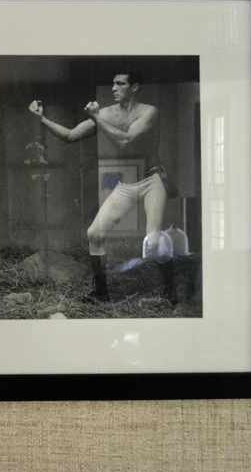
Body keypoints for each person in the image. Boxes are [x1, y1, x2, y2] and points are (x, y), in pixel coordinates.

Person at [28, 69, 178, 304]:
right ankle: (101, 293)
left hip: (152, 180)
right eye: (113, 84)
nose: (114, 88)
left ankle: (171, 293)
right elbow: (70, 135)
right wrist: (42, 119)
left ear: (134, 87)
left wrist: (97, 119)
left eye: (121, 84)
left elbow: (126, 141)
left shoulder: (149, 112)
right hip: (127, 183)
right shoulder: (107, 113)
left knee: (154, 241)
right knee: (94, 234)